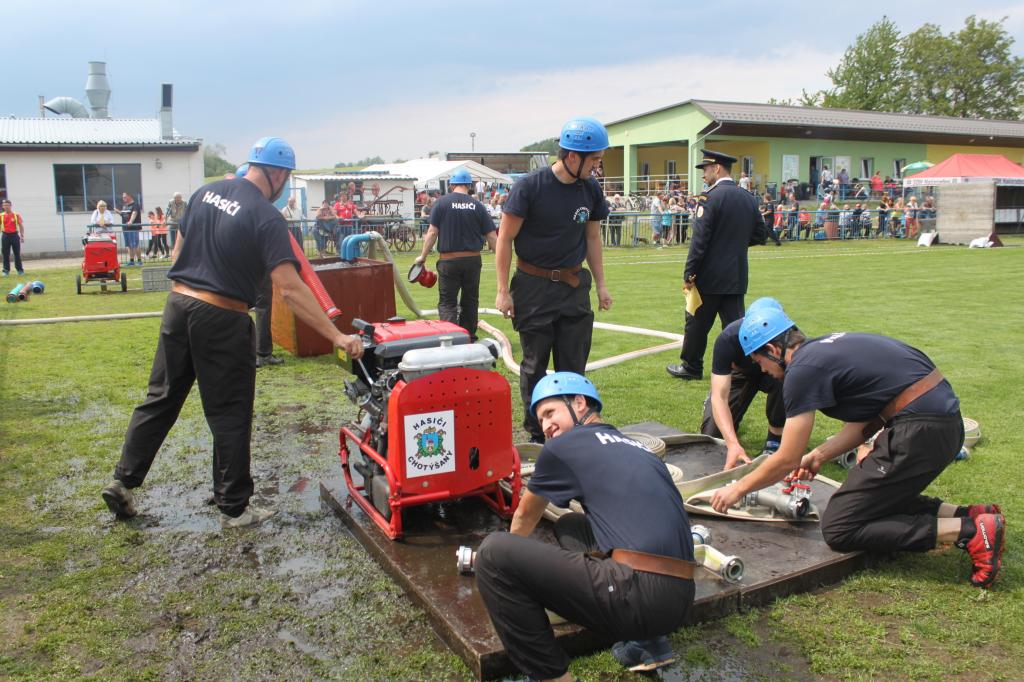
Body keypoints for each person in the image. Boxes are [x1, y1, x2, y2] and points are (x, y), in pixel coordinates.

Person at [100, 137, 364, 529]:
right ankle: (234, 507)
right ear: (278, 174)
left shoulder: (203, 194)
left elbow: (178, 252)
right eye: (287, 177)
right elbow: (289, 289)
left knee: (161, 397)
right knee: (229, 413)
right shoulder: (266, 216)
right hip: (222, 316)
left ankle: (123, 480)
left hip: (178, 305)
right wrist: (336, 336)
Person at [709, 307, 1006, 588]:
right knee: (865, 498)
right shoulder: (825, 348)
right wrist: (820, 455)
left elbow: (787, 458)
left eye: (759, 361)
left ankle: (970, 532)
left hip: (920, 430)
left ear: (773, 350)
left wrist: (738, 489)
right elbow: (869, 422)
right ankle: (969, 514)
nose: (762, 370)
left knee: (840, 526)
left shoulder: (800, 371)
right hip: (941, 423)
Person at [475, 373, 696, 681]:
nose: (546, 426)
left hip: (637, 596)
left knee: (494, 555)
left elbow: (525, 516)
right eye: (541, 420)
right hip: (681, 597)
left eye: (550, 412)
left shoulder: (562, 447)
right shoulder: (638, 447)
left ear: (579, 403)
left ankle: (552, 678)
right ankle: (650, 643)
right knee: (571, 526)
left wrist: (511, 572)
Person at [495, 116, 612, 443]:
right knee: (534, 365)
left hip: (574, 288)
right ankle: (537, 434)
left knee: (573, 366)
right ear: (573, 156)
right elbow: (504, 239)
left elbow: (592, 238)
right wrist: (503, 291)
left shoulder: (590, 189)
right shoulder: (530, 187)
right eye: (595, 160)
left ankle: (572, 432)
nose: (598, 167)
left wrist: (601, 285)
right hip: (533, 288)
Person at [666, 149, 766, 381]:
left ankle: (691, 366)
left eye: (706, 169)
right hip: (736, 274)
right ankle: (742, 368)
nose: (703, 174)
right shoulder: (748, 198)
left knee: (696, 323)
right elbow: (760, 234)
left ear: (717, 169)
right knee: (736, 326)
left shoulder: (709, 198)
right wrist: (734, 245)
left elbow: (699, 242)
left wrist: (689, 273)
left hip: (709, 276)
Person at [701, 297, 786, 466]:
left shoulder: (787, 339)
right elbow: (720, 396)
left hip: (775, 374)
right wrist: (732, 444)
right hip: (741, 374)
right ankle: (715, 409)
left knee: (785, 380)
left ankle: (775, 439)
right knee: (712, 436)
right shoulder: (728, 339)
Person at [413, 169, 497, 341]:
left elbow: (432, 233)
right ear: (469, 185)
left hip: (449, 261)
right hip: (473, 260)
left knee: (447, 301)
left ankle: (450, 339)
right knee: (470, 300)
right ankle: (469, 336)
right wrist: (500, 258)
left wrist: (422, 256)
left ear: (451, 185)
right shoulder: (478, 206)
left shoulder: (441, 203)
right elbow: (492, 236)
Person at [1, 199, 25, 277]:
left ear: (10, 206)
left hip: (14, 235)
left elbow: (21, 225)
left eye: (7, 205)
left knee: (17, 254)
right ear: (2, 206)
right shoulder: (1, 215)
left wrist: (22, 236)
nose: (6, 207)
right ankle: (6, 271)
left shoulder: (16, 215)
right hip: (5, 235)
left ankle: (20, 270)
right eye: (4, 205)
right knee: (5, 254)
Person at [119, 192, 143, 266]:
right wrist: (118, 212)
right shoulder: (124, 206)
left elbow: (134, 213)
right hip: (125, 228)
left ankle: (139, 261)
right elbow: (124, 215)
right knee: (129, 245)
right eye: (123, 197)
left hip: (133, 228)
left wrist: (131, 221)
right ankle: (131, 261)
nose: (123, 198)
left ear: (129, 196)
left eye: (125, 197)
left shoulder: (135, 205)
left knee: (135, 245)